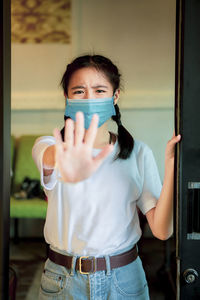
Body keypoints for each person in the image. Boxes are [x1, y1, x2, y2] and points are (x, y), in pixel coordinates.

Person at [32, 54, 181, 300]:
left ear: (115, 96)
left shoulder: (138, 152)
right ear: (66, 97)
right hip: (62, 281)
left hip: (125, 280)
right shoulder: (47, 146)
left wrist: (172, 166)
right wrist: (64, 157)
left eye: (100, 90)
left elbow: (162, 231)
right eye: (79, 91)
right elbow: (49, 158)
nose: (89, 98)